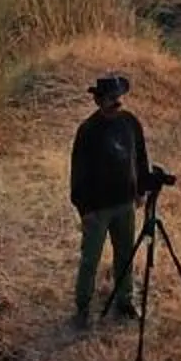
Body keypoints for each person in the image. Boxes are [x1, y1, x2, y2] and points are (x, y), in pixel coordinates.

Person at [69, 72, 149, 326]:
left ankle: (125, 301)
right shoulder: (88, 131)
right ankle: (83, 308)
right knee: (90, 259)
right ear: (99, 100)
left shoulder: (130, 123)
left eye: (119, 97)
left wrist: (141, 190)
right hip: (97, 208)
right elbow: (78, 174)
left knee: (125, 254)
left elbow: (140, 156)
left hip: (125, 202)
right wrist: (85, 209)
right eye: (112, 98)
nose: (118, 102)